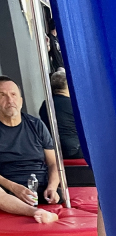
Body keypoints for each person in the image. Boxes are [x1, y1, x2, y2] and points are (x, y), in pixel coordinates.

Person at [0, 76, 61, 223]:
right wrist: (14, 188)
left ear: (21, 101)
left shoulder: (36, 125)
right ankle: (37, 213)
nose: (10, 100)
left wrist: (52, 187)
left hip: (41, 189)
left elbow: (53, 163)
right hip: (8, 191)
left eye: (13, 94)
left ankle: (42, 210)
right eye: (2, 95)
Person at [39, 71, 84, 160]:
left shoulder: (45, 104)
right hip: (75, 150)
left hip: (53, 150)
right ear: (68, 86)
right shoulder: (74, 105)